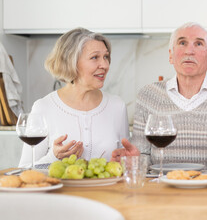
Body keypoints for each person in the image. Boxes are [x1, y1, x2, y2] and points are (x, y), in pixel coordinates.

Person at [131, 22, 207, 170]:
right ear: (171, 55)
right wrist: (133, 160)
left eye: (199, 44)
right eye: (182, 43)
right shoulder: (148, 95)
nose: (189, 51)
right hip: (161, 189)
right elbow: (141, 157)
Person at [18, 28, 137, 168]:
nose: (105, 65)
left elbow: (126, 163)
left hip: (107, 190)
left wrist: (125, 162)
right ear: (71, 62)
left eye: (106, 57)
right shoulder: (44, 107)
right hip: (61, 191)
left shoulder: (117, 106)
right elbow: (24, 170)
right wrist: (54, 157)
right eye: (95, 57)